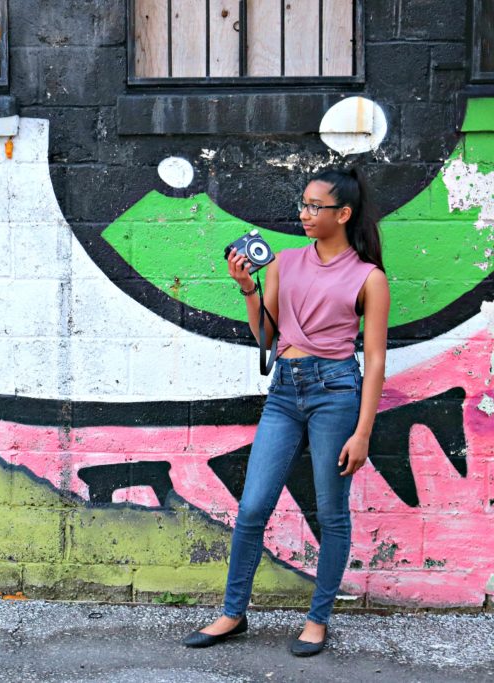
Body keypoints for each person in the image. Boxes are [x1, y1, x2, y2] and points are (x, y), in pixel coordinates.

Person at [182, 167, 391, 656]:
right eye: (303, 204)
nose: (304, 213)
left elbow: (376, 359)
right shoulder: (284, 263)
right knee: (253, 506)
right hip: (284, 391)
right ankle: (233, 613)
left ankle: (318, 619)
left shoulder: (368, 277)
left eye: (315, 206)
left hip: (336, 393)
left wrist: (363, 432)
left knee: (331, 511)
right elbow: (267, 339)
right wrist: (248, 290)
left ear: (343, 214)